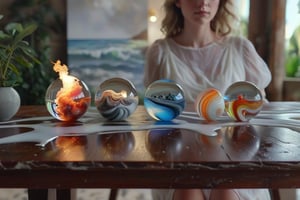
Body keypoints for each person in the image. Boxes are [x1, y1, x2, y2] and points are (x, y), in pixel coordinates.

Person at [143, 0, 272, 199]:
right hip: (178, 162)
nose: (203, 2)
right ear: (177, 2)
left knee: (225, 190)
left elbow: (259, 105)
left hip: (235, 161)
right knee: (188, 191)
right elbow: (154, 112)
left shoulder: (240, 48)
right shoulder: (160, 52)